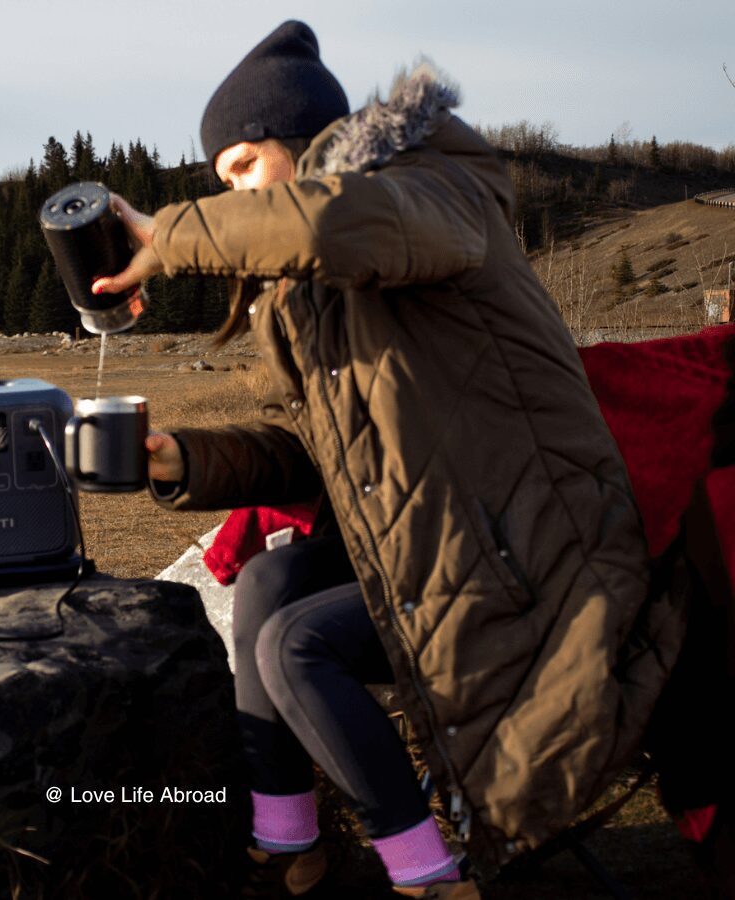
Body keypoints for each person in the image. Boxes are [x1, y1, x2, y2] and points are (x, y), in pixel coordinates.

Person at [92, 20, 687, 899]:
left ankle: (430, 875)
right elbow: (318, 463)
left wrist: (172, 235)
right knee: (265, 586)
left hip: (537, 564)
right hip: (444, 549)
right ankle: (286, 841)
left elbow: (339, 219)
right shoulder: (316, 295)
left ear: (302, 144)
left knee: (300, 645)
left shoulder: (435, 188)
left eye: (242, 170)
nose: (235, 198)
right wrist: (189, 461)